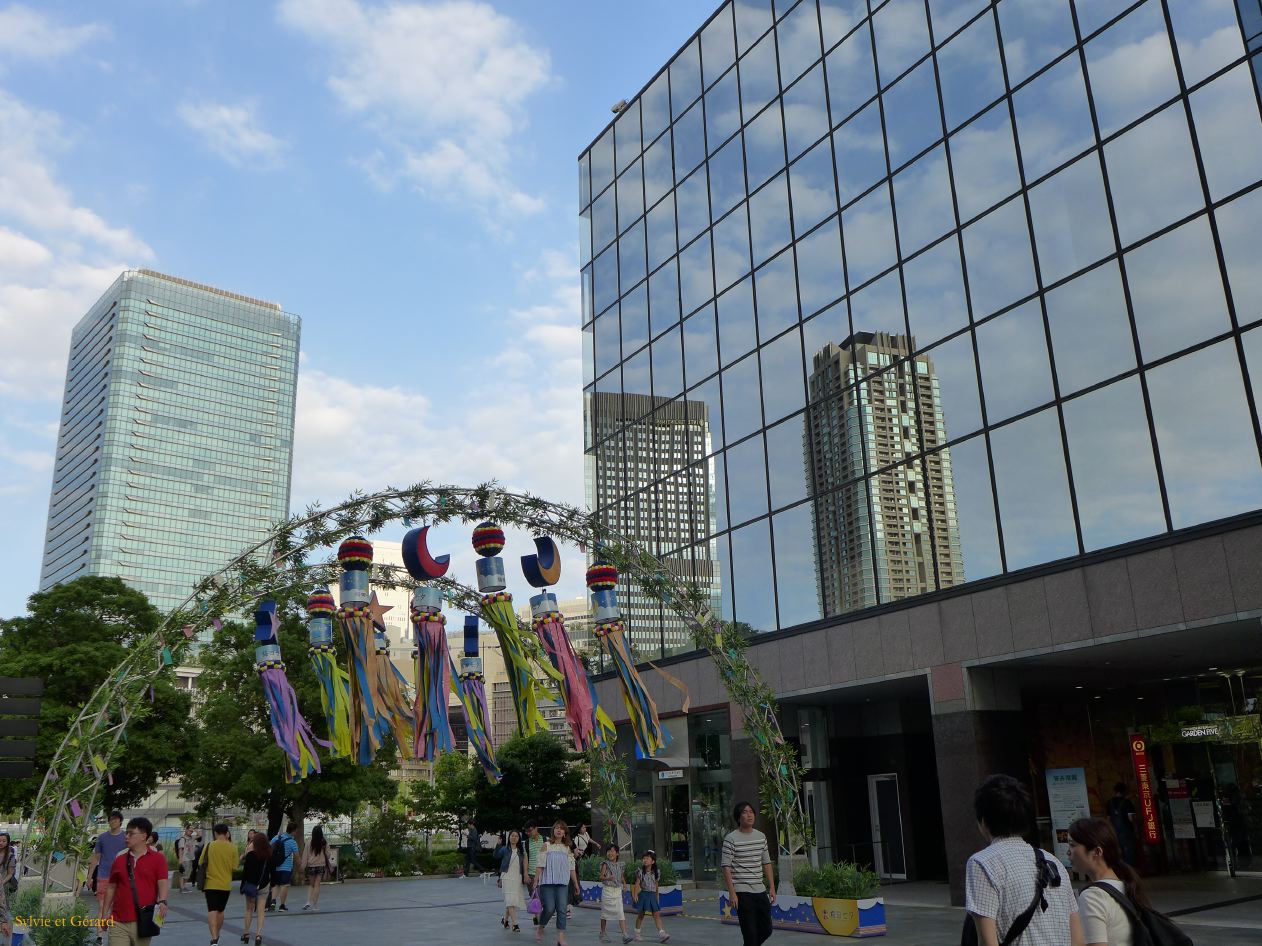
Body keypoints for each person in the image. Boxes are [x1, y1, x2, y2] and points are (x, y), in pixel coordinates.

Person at [965, 774, 1084, 946]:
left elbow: (987, 941)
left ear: (983, 821)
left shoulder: (982, 863)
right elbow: (1077, 939)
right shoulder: (1052, 861)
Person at [1068, 817, 1150, 946]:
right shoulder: (1126, 886)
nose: (1068, 852)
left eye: (1073, 845)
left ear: (1097, 851)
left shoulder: (1093, 896)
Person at [101, 816, 169, 946]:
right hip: (118, 921)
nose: (126, 836)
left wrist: (163, 901)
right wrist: (104, 915)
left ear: (144, 836)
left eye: (130, 833)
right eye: (126, 832)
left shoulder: (158, 859)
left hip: (143, 921)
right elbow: (111, 887)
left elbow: (163, 881)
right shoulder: (119, 859)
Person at [721, 801, 776, 946]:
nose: (749, 815)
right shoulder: (731, 838)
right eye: (745, 812)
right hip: (742, 893)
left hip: (760, 890)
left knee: (767, 929)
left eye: (751, 812)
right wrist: (732, 893)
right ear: (738, 817)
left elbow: (767, 863)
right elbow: (726, 866)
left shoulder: (761, 836)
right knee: (750, 933)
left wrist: (772, 886)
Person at [533, 820, 580, 946]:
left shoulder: (567, 848)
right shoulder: (546, 845)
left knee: (562, 910)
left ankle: (560, 938)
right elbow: (540, 864)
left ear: (564, 832)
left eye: (561, 828)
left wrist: (575, 884)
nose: (559, 830)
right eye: (556, 828)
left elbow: (571, 868)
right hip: (547, 883)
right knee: (549, 908)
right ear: (553, 831)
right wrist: (536, 880)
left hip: (562, 883)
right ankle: (541, 926)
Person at [87, 810, 129, 942]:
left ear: (120, 821)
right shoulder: (102, 838)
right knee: (102, 906)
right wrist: (89, 876)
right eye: (111, 819)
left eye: (116, 819)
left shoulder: (126, 838)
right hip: (104, 876)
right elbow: (96, 857)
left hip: (121, 877)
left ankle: (115, 933)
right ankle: (100, 936)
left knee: (118, 907)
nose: (113, 821)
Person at [199, 823, 236, 946]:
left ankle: (214, 938)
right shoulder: (232, 847)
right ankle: (217, 934)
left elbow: (201, 862)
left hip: (210, 884)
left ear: (215, 833)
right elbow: (234, 867)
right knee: (220, 911)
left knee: (212, 910)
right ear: (227, 833)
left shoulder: (209, 846)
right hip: (225, 884)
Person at [239, 832, 273, 946]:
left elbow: (245, 873)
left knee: (249, 909)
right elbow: (271, 871)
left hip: (251, 886)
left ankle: (246, 933)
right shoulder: (269, 855)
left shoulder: (250, 855)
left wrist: (242, 887)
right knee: (261, 910)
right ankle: (258, 935)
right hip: (264, 885)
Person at [598, 844, 633, 945]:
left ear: (617, 853)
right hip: (607, 890)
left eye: (613, 851)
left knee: (620, 913)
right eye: (608, 851)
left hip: (617, 891)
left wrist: (625, 884)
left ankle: (625, 934)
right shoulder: (605, 864)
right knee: (604, 914)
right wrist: (608, 878)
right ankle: (602, 932)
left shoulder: (621, 864)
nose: (610, 853)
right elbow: (601, 877)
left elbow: (621, 876)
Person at [632, 850, 670, 943]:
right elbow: (637, 883)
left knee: (656, 914)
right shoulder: (640, 871)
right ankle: (637, 934)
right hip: (644, 895)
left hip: (652, 895)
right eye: (644, 858)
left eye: (647, 858)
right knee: (641, 915)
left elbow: (656, 885)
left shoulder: (657, 872)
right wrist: (636, 894)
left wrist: (657, 896)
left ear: (653, 861)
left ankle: (662, 933)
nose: (645, 860)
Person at [494, 829, 528, 932]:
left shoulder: (521, 851)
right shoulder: (505, 849)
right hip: (507, 877)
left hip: (517, 877)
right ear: (509, 837)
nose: (514, 838)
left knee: (512, 901)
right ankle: (515, 924)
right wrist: (498, 845)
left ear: (519, 838)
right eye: (512, 836)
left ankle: (505, 920)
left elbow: (524, 864)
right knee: (510, 900)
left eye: (516, 836)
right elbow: (495, 856)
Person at [266, 823, 299, 912]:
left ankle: (273, 901)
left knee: (276, 885)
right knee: (284, 885)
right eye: (296, 831)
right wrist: (300, 867)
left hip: (275, 866)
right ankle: (282, 905)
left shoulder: (276, 838)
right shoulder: (292, 842)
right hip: (286, 867)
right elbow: (297, 857)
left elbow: (269, 848)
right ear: (294, 831)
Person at [1105, 783, 1138, 867]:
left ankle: (1121, 872)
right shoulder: (1127, 802)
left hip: (1114, 832)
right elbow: (1131, 818)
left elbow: (1108, 819)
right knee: (1129, 852)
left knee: (1118, 852)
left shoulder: (1110, 802)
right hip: (1127, 831)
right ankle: (1129, 872)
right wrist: (1135, 827)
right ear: (1124, 791)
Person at [300, 825, 331, 911]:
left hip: (311, 866)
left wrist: (302, 867)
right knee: (317, 885)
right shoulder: (324, 842)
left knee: (311, 885)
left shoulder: (309, 842)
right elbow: (328, 855)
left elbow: (305, 856)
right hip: (321, 866)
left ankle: (308, 901)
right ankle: (315, 905)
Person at [176, 827, 197, 893]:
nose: (191, 832)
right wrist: (180, 859)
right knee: (183, 873)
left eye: (191, 831)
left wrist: (195, 829)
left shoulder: (191, 838)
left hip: (190, 858)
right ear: (186, 830)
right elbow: (180, 849)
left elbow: (200, 835)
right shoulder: (183, 839)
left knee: (188, 874)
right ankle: (182, 888)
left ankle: (184, 887)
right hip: (185, 858)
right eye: (189, 831)